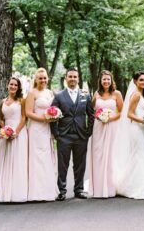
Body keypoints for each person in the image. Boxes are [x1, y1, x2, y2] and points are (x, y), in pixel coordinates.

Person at [114, 71, 144, 199]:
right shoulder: (136, 95)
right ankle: (138, 187)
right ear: (135, 81)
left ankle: (137, 183)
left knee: (141, 154)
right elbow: (129, 114)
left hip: (141, 129)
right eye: (141, 80)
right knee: (141, 155)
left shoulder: (141, 93)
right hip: (136, 129)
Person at [50, 68, 95, 201]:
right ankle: (62, 190)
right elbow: (53, 114)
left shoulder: (85, 95)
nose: (73, 79)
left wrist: (89, 131)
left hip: (81, 135)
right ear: (66, 78)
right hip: (64, 135)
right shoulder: (58, 96)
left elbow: (91, 114)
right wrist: (56, 133)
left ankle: (79, 189)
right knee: (63, 164)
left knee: (80, 164)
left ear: (78, 79)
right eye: (70, 77)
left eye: (75, 77)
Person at [87, 70, 123, 198]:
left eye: (108, 79)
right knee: (98, 155)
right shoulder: (96, 94)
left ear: (111, 80)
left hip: (113, 127)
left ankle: (110, 186)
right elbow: (91, 110)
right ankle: (98, 186)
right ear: (100, 81)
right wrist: (99, 117)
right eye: (104, 79)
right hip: (99, 128)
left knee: (111, 156)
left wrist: (109, 119)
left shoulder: (117, 94)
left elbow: (122, 113)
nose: (106, 81)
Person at [0, 77, 28, 202]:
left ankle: (17, 193)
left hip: (19, 133)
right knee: (5, 161)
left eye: (15, 85)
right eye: (11, 84)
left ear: (18, 87)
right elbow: (1, 118)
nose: (13, 86)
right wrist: (4, 130)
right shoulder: (3, 101)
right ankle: (5, 192)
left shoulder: (21, 101)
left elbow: (24, 118)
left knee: (17, 162)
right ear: (7, 85)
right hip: (6, 134)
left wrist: (16, 132)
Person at [25, 68, 57, 201]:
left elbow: (54, 108)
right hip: (36, 129)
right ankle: (36, 193)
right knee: (36, 158)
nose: (43, 80)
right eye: (40, 78)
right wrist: (44, 118)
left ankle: (47, 191)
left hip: (47, 129)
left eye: (44, 78)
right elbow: (28, 112)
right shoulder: (32, 93)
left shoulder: (50, 92)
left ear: (47, 79)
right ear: (36, 79)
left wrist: (54, 116)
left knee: (46, 158)